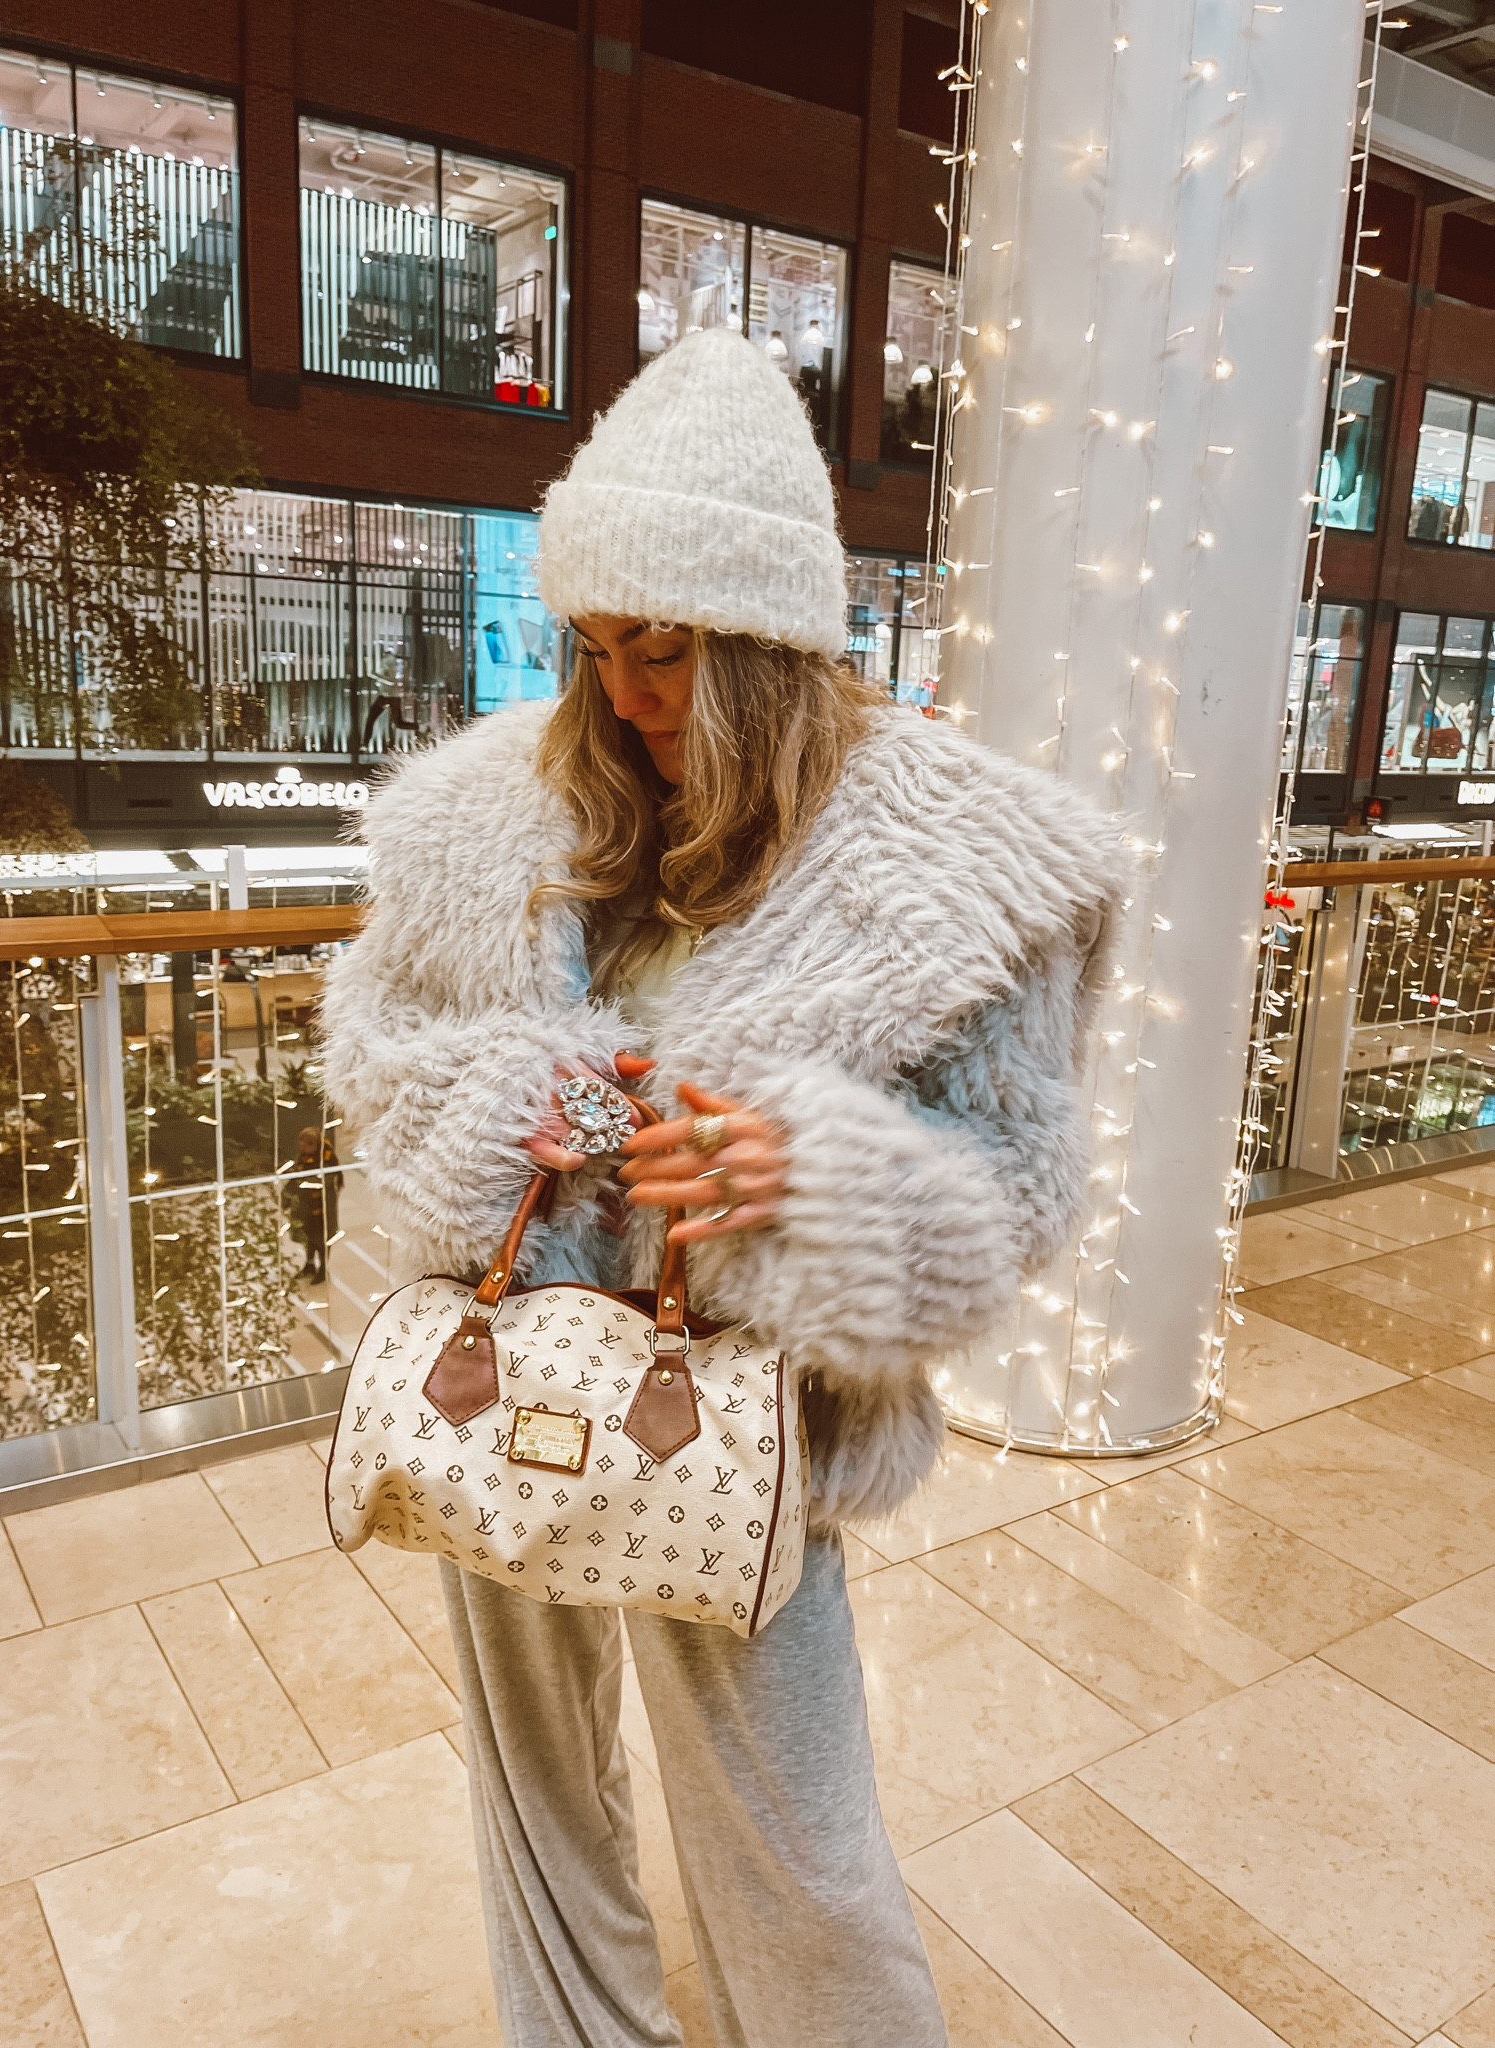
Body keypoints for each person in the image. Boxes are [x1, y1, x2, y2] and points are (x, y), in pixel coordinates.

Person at [323, 329, 1123, 2048]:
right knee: (530, 1783)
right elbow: (374, 1065)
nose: (624, 695)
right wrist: (507, 1103)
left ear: (766, 643)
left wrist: (813, 1174)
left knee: (798, 1837)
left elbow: (1022, 1194)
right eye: (597, 646)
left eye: (667, 650)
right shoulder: (493, 815)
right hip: (510, 1369)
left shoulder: (952, 868)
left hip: (744, 1423)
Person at [286, 1124, 339, 1284]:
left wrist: (300, 1178)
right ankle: (309, 1265)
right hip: (306, 1208)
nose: (300, 1148)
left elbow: (321, 1182)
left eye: (304, 1145)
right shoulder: (303, 1158)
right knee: (308, 1238)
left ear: (314, 1146)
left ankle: (323, 1269)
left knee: (321, 1240)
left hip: (322, 1210)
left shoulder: (327, 1162)